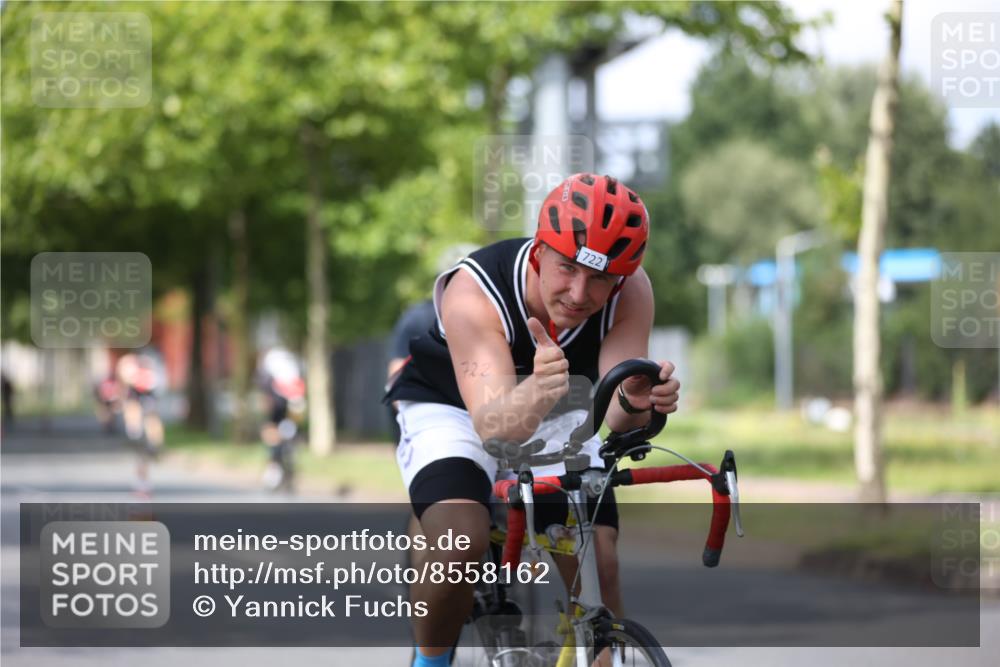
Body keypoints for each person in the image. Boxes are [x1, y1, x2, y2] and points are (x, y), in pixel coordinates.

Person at [384, 173, 680, 667]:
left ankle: (602, 656)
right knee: (461, 541)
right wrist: (540, 389)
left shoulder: (632, 292)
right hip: (456, 408)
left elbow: (617, 417)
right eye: (567, 268)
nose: (580, 293)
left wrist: (639, 399)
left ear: (623, 276)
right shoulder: (472, 292)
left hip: (556, 399)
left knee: (598, 556)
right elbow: (497, 430)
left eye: (601, 279)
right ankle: (430, 661)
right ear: (540, 249)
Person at [116, 348, 167, 493]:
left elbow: (159, 385)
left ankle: (153, 446)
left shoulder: (153, 360)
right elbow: (124, 385)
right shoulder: (128, 362)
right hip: (137, 403)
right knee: (140, 446)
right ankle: (142, 478)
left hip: (148, 401)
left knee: (148, 436)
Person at [257, 346, 306, 492]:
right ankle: (281, 468)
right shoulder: (289, 367)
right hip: (292, 402)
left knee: (274, 433)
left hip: (287, 402)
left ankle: (277, 468)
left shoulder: (269, 372)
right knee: (284, 435)